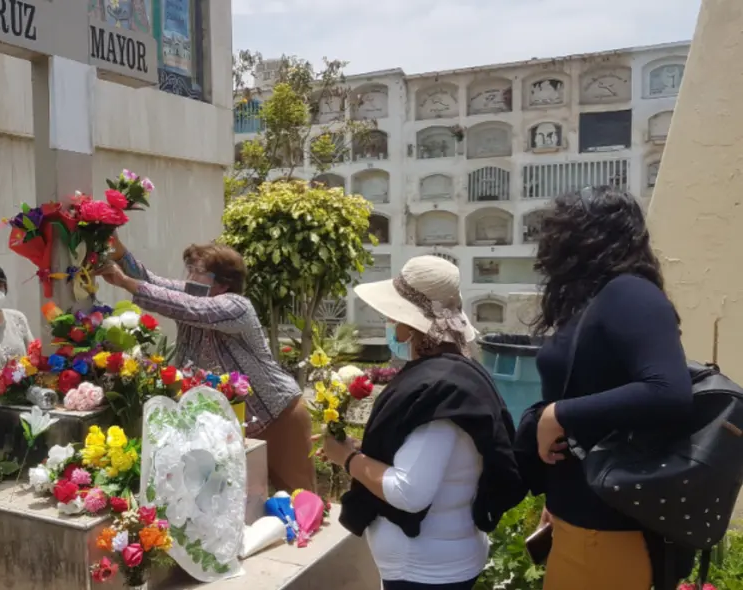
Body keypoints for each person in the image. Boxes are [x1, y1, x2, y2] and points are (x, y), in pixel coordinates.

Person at [514, 187, 693, 590]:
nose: (550, 241)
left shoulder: (630, 294)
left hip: (610, 536)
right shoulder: (596, 300)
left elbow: (669, 390)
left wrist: (558, 414)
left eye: (561, 229)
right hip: (581, 526)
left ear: (589, 236)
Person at [323, 255, 525, 590]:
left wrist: (347, 458)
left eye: (393, 315)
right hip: (440, 559)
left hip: (426, 570)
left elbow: (410, 491)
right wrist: (362, 451)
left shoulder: (439, 392)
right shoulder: (455, 374)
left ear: (412, 324)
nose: (389, 322)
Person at [98, 239, 316, 493]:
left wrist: (123, 281)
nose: (189, 278)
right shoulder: (194, 293)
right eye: (188, 270)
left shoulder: (235, 305)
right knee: (247, 505)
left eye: (197, 272)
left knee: (299, 498)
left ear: (223, 283)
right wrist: (119, 251)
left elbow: (190, 308)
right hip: (235, 427)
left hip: (278, 417)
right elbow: (151, 281)